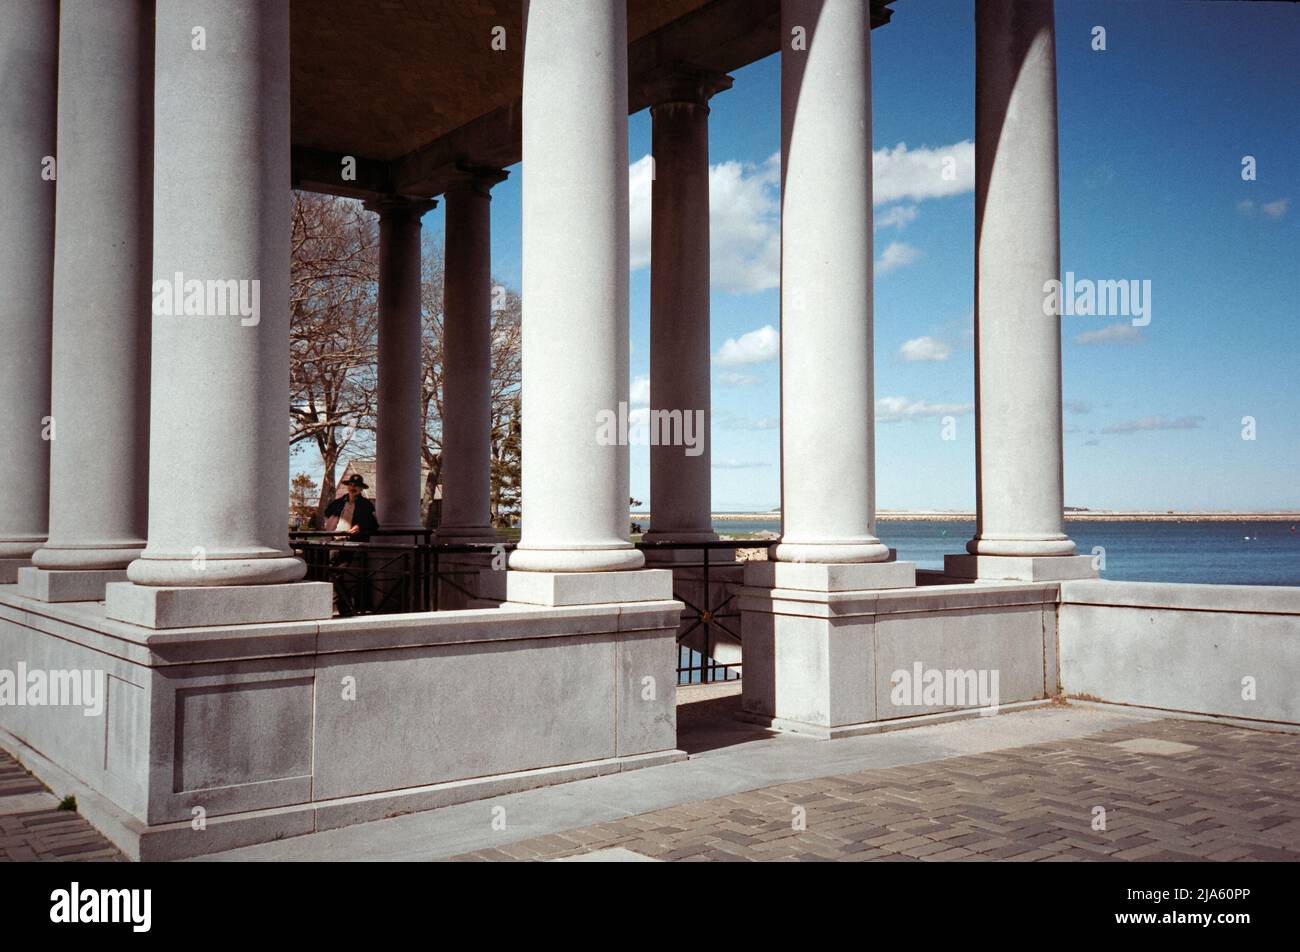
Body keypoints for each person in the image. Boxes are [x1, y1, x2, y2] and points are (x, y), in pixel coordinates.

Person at [323, 475, 380, 614]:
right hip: (334, 541)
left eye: (356, 486)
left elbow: (374, 525)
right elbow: (326, 514)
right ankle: (345, 606)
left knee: (336, 574)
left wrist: (360, 526)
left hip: (350, 543)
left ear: (361, 489)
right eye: (351, 485)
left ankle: (344, 607)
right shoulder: (338, 502)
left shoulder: (366, 505)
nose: (353, 487)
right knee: (331, 573)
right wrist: (329, 527)